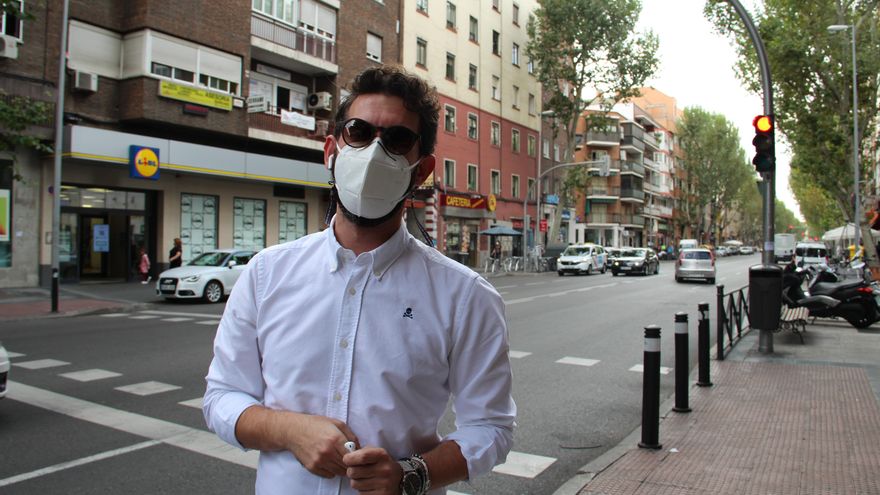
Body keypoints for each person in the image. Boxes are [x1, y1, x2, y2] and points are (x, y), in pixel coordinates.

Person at [203, 65, 515, 495]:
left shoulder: (464, 296)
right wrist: (290, 430)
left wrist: (411, 474)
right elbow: (222, 396)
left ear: (420, 170)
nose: (373, 151)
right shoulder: (266, 274)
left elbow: (491, 427)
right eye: (359, 132)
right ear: (331, 150)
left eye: (397, 140)